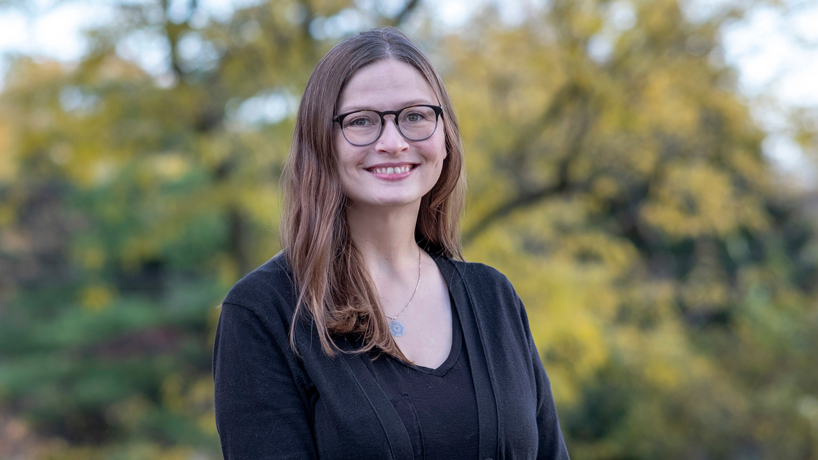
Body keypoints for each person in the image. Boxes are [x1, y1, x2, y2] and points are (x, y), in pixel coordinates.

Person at [212, 27, 570, 460]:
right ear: (320, 141)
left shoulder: (493, 298)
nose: (394, 142)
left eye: (415, 116)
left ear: (444, 136)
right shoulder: (265, 311)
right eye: (361, 120)